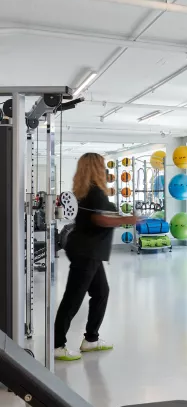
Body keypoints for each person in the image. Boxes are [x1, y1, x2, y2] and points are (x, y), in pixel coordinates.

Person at [54, 153, 140, 361]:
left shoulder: (84, 190)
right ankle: (57, 345)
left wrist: (118, 218)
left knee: (101, 292)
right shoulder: (95, 192)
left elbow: (98, 217)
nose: (105, 169)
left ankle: (91, 340)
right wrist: (130, 219)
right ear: (96, 168)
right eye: (102, 166)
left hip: (85, 249)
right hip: (87, 251)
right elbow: (101, 219)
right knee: (73, 298)